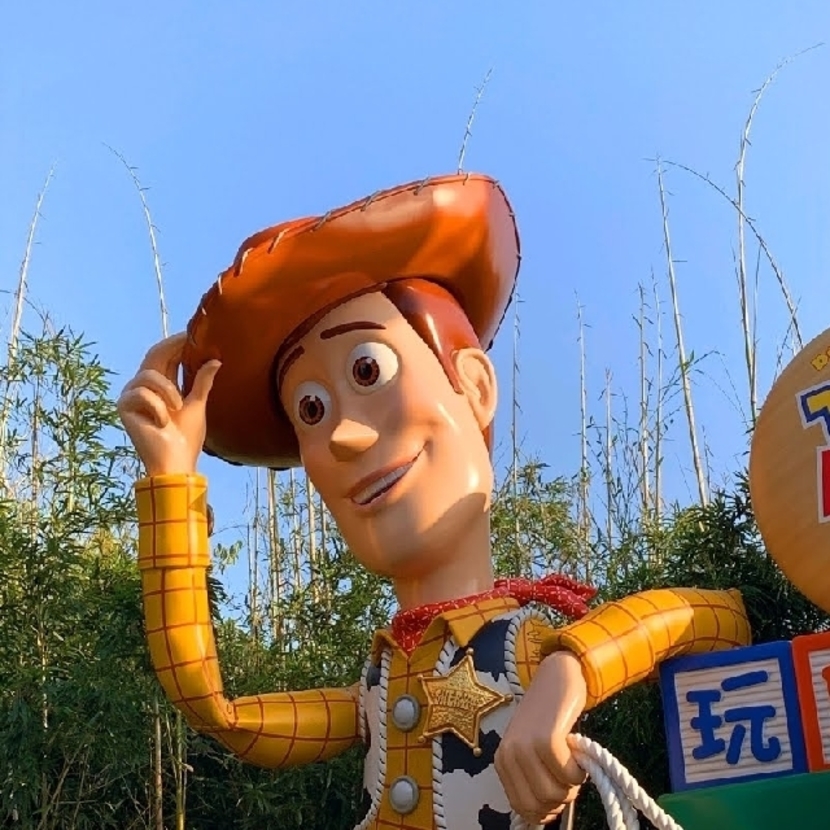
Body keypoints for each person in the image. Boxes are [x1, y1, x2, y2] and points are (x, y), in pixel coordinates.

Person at [118, 173, 751, 829]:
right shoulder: (377, 681)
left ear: (474, 387)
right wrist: (170, 483)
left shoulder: (525, 646)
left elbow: (717, 617)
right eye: (312, 410)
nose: (343, 435)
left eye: (369, 370)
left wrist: (570, 668)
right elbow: (219, 712)